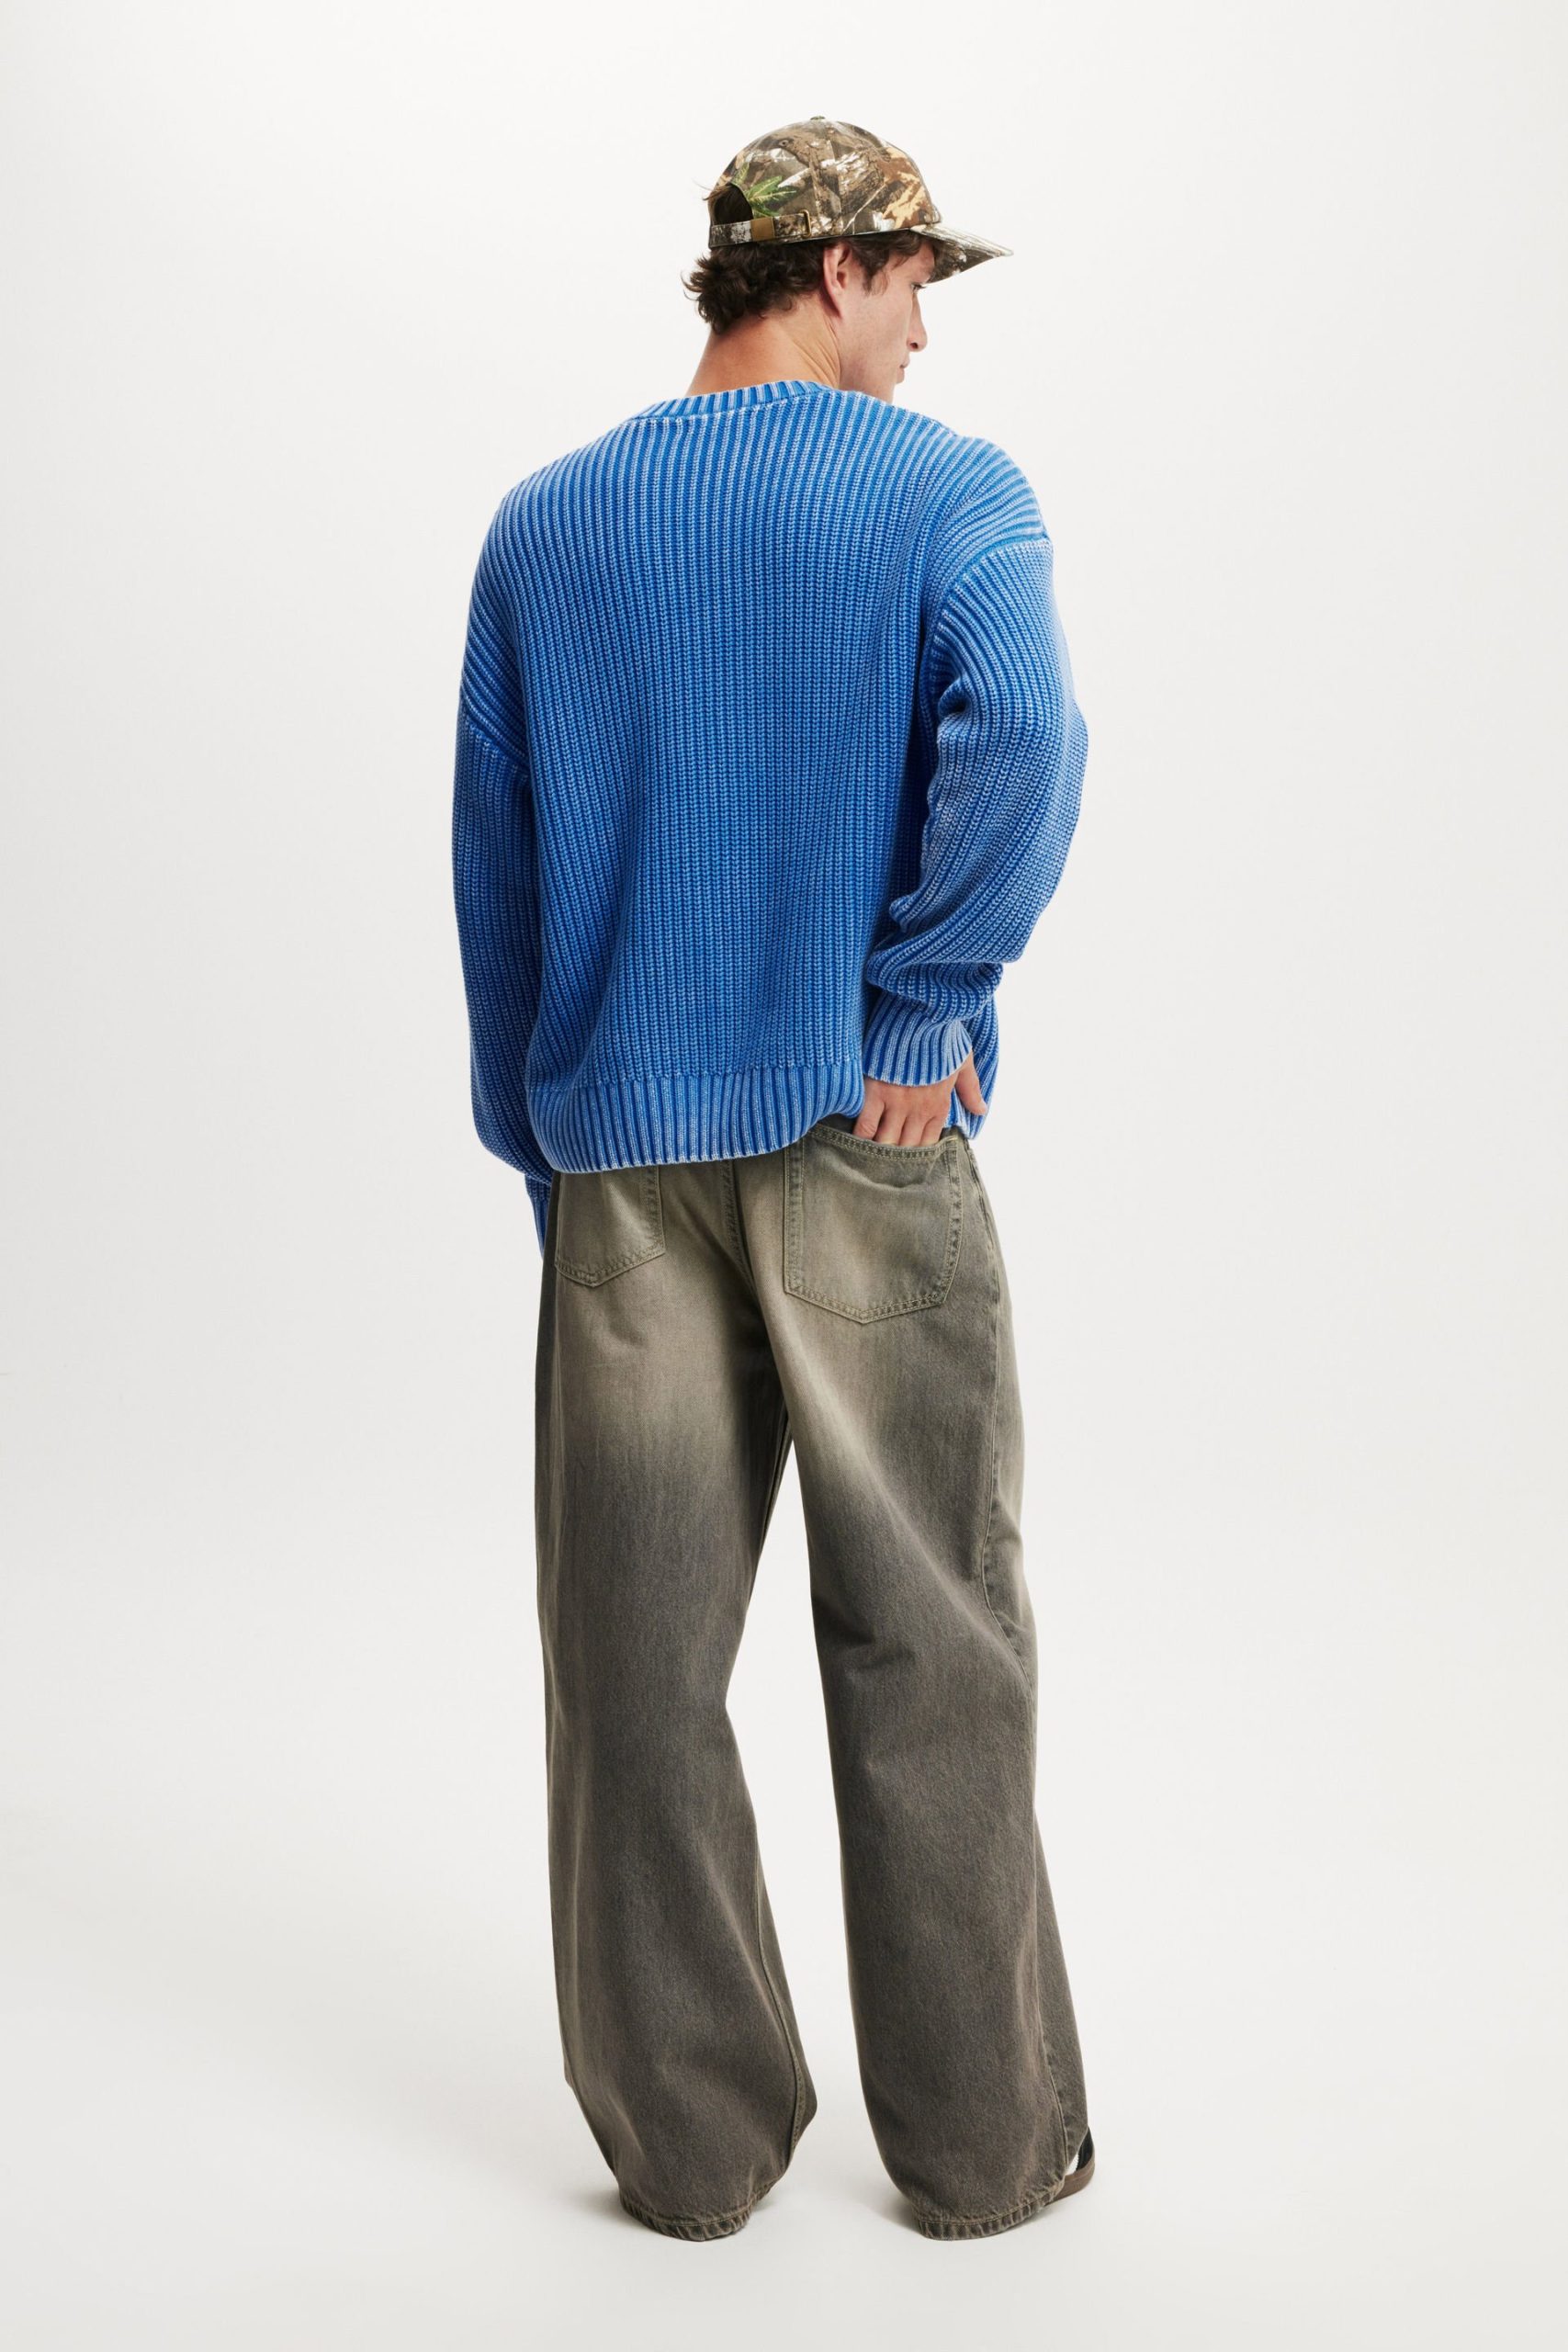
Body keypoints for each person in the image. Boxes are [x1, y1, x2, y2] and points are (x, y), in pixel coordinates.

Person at [451, 114, 1094, 2243]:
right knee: (929, 1642)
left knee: (627, 1666)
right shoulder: (943, 492)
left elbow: (498, 873)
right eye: (914, 285)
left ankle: (690, 2150)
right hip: (862, 1137)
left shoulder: (545, 526)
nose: (924, 333)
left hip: (620, 1164)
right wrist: (923, 998)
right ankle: (983, 2149)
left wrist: (545, 1151)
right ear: (834, 270)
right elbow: (1028, 735)